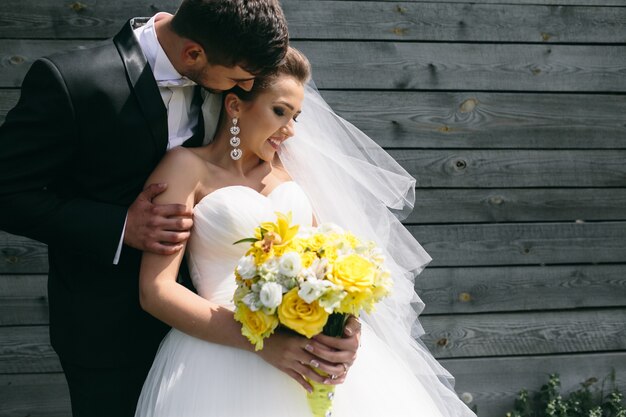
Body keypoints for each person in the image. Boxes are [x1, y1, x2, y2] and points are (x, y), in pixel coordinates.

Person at [134, 47, 476, 417]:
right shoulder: (186, 168)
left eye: (295, 116)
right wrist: (263, 345)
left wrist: (348, 330)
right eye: (280, 111)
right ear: (234, 106)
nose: (291, 129)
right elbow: (156, 291)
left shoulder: (295, 175)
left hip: (306, 354)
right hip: (216, 354)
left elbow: (326, 269)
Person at [0, 1, 297, 416]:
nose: (244, 89)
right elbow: (7, 192)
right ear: (193, 54)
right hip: (106, 332)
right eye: (237, 80)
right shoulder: (73, 82)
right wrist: (119, 226)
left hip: (212, 329)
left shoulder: (228, 66)